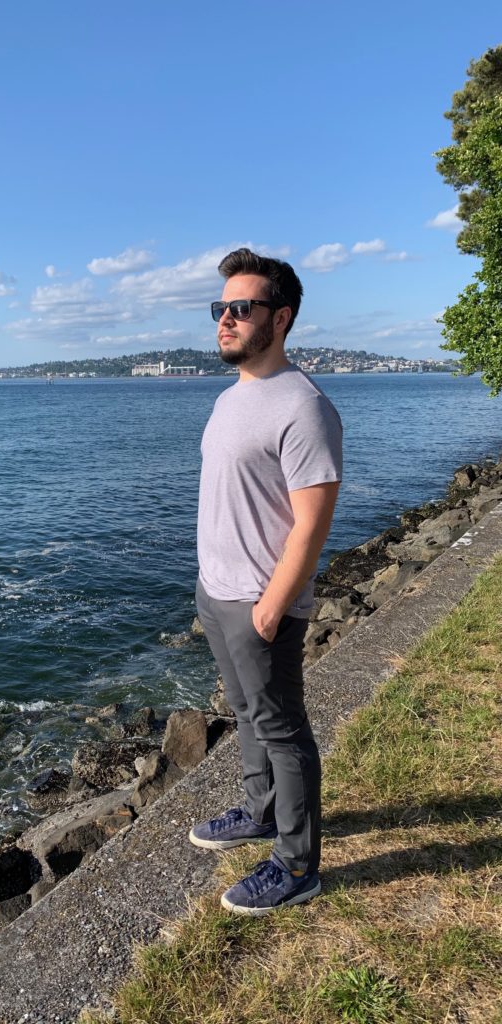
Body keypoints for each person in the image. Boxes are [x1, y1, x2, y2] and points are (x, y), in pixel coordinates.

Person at [189, 247, 342, 916]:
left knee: (283, 729)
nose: (224, 319)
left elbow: (311, 523)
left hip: (258, 601)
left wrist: (272, 606)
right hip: (216, 591)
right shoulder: (234, 395)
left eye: (239, 308)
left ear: (279, 318)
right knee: (247, 712)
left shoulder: (304, 407)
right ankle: (260, 811)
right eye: (219, 308)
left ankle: (298, 863)